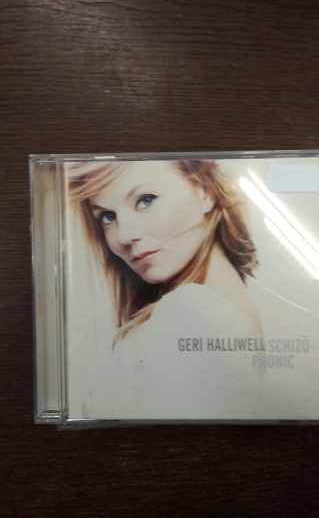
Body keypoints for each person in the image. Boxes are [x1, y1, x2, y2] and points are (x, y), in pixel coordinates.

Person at [67, 158, 265, 420]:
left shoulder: (189, 311)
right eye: (108, 216)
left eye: (145, 200)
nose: (125, 235)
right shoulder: (219, 306)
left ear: (205, 192)